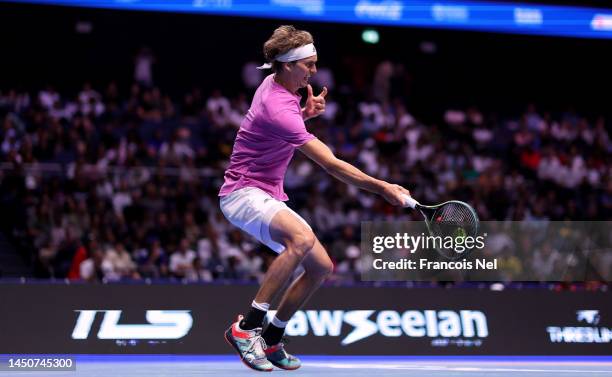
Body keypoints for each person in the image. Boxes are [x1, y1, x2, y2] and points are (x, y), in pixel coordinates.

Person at [219, 25, 411, 371]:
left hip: (265, 193)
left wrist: (305, 113)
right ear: (289, 65)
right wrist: (384, 187)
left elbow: (277, 126)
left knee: (321, 266)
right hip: (243, 193)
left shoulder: (275, 85)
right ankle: (246, 328)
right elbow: (332, 165)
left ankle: (273, 337)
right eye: (309, 64)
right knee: (301, 239)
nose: (314, 71)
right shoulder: (278, 107)